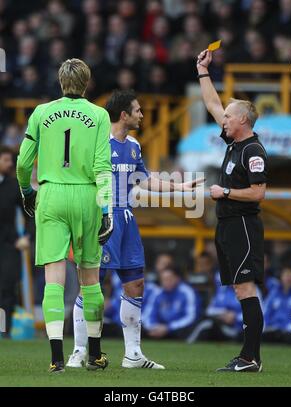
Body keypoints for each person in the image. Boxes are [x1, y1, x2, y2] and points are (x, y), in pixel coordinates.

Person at [67, 89, 202, 369]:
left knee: (136, 285)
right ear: (124, 114)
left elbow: (144, 179)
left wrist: (178, 187)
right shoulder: (95, 143)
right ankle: (79, 351)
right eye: (138, 110)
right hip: (101, 219)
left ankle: (133, 355)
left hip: (127, 219)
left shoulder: (133, 145)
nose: (142, 115)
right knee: (91, 287)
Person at [16, 58, 113, 373]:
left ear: (60, 82)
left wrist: (26, 191)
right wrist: (107, 209)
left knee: (53, 280)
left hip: (52, 194)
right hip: (86, 195)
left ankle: (56, 357)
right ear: (87, 83)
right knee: (90, 279)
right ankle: (95, 354)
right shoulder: (99, 115)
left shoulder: (42, 113)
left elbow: (22, 163)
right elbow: (102, 167)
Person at [196, 49, 268, 372]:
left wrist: (224, 191)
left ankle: (250, 358)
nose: (222, 119)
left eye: (227, 116)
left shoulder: (253, 150)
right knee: (240, 288)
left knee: (246, 287)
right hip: (227, 224)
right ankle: (249, 356)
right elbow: (211, 104)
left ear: (242, 120)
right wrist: (202, 72)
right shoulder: (234, 145)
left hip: (242, 224)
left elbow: (258, 193)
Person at [0, 146, 30, 337]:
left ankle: (3, 331)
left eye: (11, 160)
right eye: (6, 160)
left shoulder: (13, 185)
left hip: (8, 246)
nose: (10, 164)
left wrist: (27, 236)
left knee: (6, 290)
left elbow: (31, 211)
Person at [143, 268, 202, 340]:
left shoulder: (187, 292)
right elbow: (148, 315)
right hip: (159, 329)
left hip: (180, 330)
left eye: (169, 279)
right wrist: (154, 327)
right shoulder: (157, 293)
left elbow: (191, 317)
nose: (166, 282)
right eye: (164, 280)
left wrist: (168, 328)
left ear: (177, 278)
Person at [263, 266, 291, 345]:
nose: (289, 278)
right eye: (286, 275)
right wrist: (266, 326)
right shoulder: (274, 292)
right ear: (281, 277)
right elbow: (266, 312)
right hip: (272, 330)